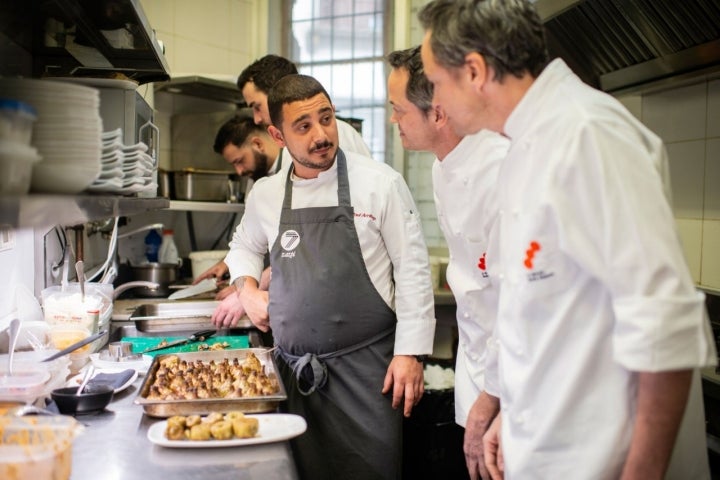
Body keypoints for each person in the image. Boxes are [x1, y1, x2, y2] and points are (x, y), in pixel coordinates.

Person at [418, 1, 717, 480]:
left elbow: (666, 325)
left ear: (474, 71)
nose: (435, 100)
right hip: (545, 446)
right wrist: (506, 411)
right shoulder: (521, 149)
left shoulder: (589, 134)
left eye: (435, 82)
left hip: (602, 460)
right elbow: (532, 304)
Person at [217, 73, 436, 480]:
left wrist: (411, 353)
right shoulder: (265, 194)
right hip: (293, 376)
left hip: (368, 375)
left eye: (326, 118)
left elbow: (413, 269)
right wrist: (245, 290)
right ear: (277, 135)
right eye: (303, 126)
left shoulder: (381, 184)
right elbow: (243, 247)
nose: (321, 134)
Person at [387, 45, 510, 477]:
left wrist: (494, 393)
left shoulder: (502, 166)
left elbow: (514, 298)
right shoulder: (443, 168)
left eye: (398, 110)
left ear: (437, 114)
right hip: (478, 361)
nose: (392, 120)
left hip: (513, 373)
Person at [197, 55, 374, 305]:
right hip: (307, 301)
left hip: (348, 295)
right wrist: (240, 272)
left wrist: (260, 282)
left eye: (257, 106)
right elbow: (255, 240)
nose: (256, 118)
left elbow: (325, 238)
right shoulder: (279, 167)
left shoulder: (333, 140)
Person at [192, 116, 280, 300]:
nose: (239, 171)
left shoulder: (295, 171)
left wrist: (248, 286)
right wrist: (229, 263)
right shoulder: (255, 182)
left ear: (257, 144)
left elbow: (297, 250)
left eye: (239, 161)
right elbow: (253, 240)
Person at [237, 54, 372, 158]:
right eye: (304, 127)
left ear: (277, 93)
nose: (257, 119)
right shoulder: (289, 144)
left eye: (257, 107)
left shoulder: (337, 137)